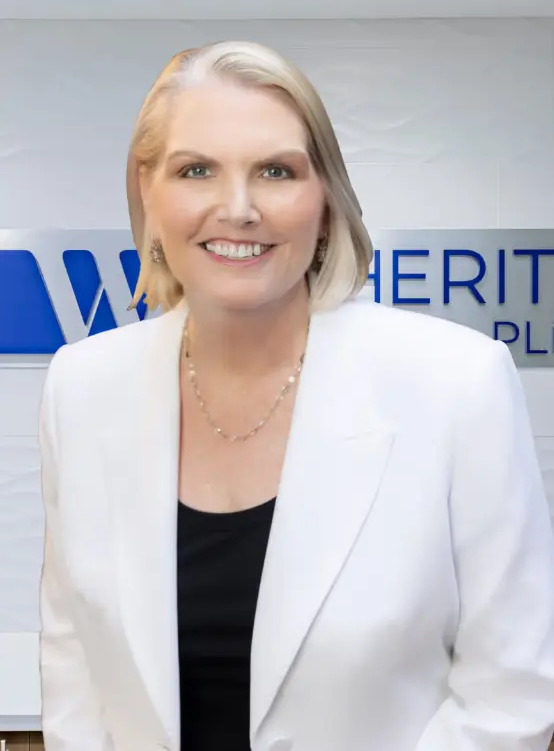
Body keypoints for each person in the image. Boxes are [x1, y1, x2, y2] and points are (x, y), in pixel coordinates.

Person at [38, 40, 554, 751]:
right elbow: (74, 668)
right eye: (197, 170)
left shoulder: (459, 384)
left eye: (276, 171)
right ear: (148, 193)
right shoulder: (81, 387)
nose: (238, 207)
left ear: (325, 199)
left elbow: (514, 693)